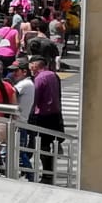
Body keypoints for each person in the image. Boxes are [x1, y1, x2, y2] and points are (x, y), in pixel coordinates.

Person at [28, 55, 64, 184]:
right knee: (49, 144)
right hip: (55, 114)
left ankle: (46, 174)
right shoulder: (53, 75)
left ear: (35, 65)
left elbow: (34, 98)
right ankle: (49, 172)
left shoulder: (39, 79)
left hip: (42, 115)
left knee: (43, 146)